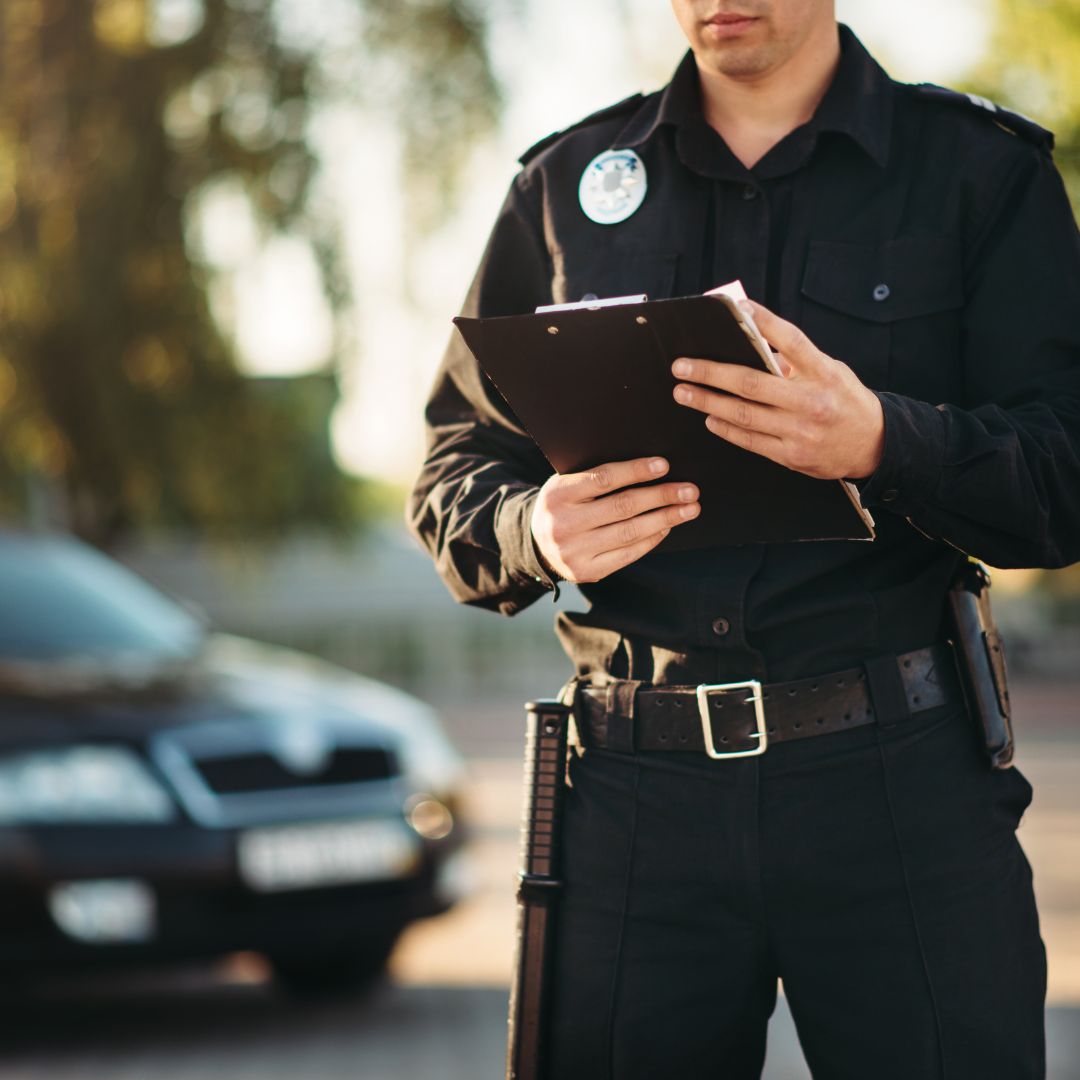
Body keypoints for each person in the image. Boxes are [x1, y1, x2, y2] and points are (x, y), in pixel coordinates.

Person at [408, 2, 1080, 1076]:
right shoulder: (561, 187)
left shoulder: (977, 172)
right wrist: (531, 527)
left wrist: (882, 439)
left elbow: (1065, 475)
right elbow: (454, 466)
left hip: (900, 790)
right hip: (632, 799)